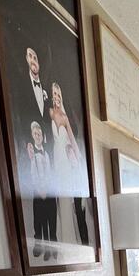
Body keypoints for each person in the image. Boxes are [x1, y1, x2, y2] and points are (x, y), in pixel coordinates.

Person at [49, 81, 89, 246]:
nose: (57, 97)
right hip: (56, 159)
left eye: (59, 95)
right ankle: (63, 236)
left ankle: (71, 238)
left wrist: (79, 164)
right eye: (54, 94)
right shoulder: (50, 113)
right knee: (59, 200)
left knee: (67, 200)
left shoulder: (64, 117)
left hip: (65, 161)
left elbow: (72, 140)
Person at [26, 121, 57, 259]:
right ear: (32, 136)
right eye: (35, 134)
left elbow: (51, 173)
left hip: (49, 191)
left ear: (42, 135)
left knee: (51, 220)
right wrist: (40, 190)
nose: (37, 135)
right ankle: (41, 248)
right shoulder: (32, 155)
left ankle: (53, 249)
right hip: (38, 192)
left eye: (39, 133)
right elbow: (32, 175)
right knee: (40, 221)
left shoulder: (48, 153)